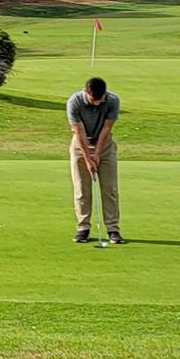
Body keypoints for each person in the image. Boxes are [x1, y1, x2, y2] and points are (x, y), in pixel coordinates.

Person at [67, 75, 123, 244]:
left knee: (110, 190)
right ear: (85, 92)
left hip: (105, 146)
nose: (97, 103)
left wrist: (97, 154)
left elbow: (107, 128)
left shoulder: (112, 100)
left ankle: (113, 229)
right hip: (80, 146)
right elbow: (79, 132)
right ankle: (83, 228)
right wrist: (88, 158)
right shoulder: (74, 102)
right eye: (94, 99)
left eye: (100, 99)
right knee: (81, 190)